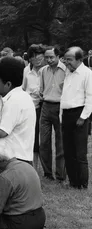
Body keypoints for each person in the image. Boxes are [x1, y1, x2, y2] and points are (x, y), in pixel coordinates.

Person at [61, 47, 92, 189]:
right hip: (66, 114)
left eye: (70, 59)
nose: (67, 62)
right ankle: (73, 181)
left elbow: (90, 97)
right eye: (66, 59)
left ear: (80, 60)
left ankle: (82, 182)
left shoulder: (87, 74)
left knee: (80, 152)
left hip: (79, 114)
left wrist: (83, 116)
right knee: (68, 150)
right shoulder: (68, 73)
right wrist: (62, 115)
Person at [39, 46, 66, 181]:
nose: (49, 60)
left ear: (58, 56)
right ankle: (48, 173)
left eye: (51, 57)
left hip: (60, 107)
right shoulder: (43, 71)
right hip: (46, 105)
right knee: (44, 141)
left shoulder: (66, 70)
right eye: (47, 57)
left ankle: (61, 175)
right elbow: (41, 90)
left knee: (60, 143)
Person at [22, 44, 46, 168]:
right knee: (30, 137)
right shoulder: (27, 70)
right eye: (33, 57)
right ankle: (30, 166)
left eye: (39, 56)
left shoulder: (46, 70)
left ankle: (40, 167)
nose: (36, 59)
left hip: (42, 107)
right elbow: (23, 88)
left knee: (40, 140)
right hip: (30, 107)